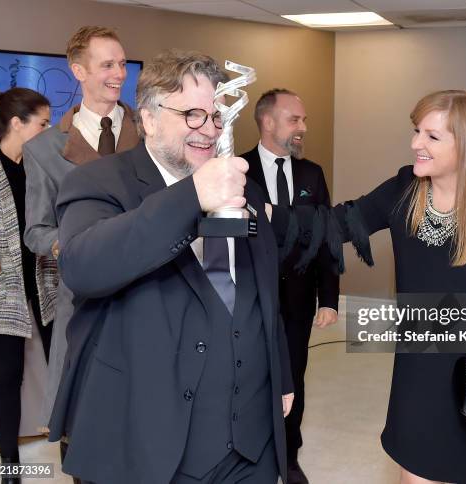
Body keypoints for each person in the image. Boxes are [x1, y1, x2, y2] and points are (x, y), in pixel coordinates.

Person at [270, 90, 466, 483]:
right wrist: (265, 214)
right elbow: (334, 224)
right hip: (417, 379)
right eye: (417, 131)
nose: (416, 143)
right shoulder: (406, 189)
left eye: (432, 136)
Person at [47, 49, 294, 484]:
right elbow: (85, 267)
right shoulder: (98, 182)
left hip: (250, 445)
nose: (210, 131)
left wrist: (282, 375)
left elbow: (261, 294)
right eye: (193, 115)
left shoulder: (245, 190)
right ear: (149, 119)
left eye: (217, 117)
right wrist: (192, 196)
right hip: (149, 446)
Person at [22, 25, 139, 448]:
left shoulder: (151, 133)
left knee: (144, 419)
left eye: (123, 63)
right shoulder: (44, 150)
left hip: (150, 291)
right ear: (78, 71)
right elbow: (35, 230)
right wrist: (69, 244)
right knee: (83, 427)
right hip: (84, 303)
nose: (120, 73)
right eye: (108, 64)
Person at [241, 88, 339, 484]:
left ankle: (288, 456)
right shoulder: (237, 168)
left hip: (298, 300)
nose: (303, 127)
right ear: (268, 122)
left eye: (303, 120)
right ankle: (251, 452)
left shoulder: (311, 174)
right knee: (249, 377)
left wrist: (329, 298)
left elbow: (327, 236)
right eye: (295, 119)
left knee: (293, 378)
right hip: (250, 298)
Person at [0, 87, 55, 479]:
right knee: (7, 378)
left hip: (47, 281)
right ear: (17, 123)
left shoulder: (40, 167)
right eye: (42, 123)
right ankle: (10, 467)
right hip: (4, 292)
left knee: (64, 365)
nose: (48, 130)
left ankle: (70, 444)